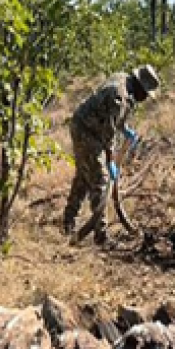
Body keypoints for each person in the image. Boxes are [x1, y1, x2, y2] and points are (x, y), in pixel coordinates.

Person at [63, 66, 161, 245]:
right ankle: (101, 235)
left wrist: (124, 129)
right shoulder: (120, 96)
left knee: (84, 177)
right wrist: (110, 160)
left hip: (86, 126)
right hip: (87, 130)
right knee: (101, 178)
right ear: (139, 85)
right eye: (145, 93)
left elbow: (114, 119)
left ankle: (68, 223)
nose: (145, 98)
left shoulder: (123, 81)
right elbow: (108, 131)